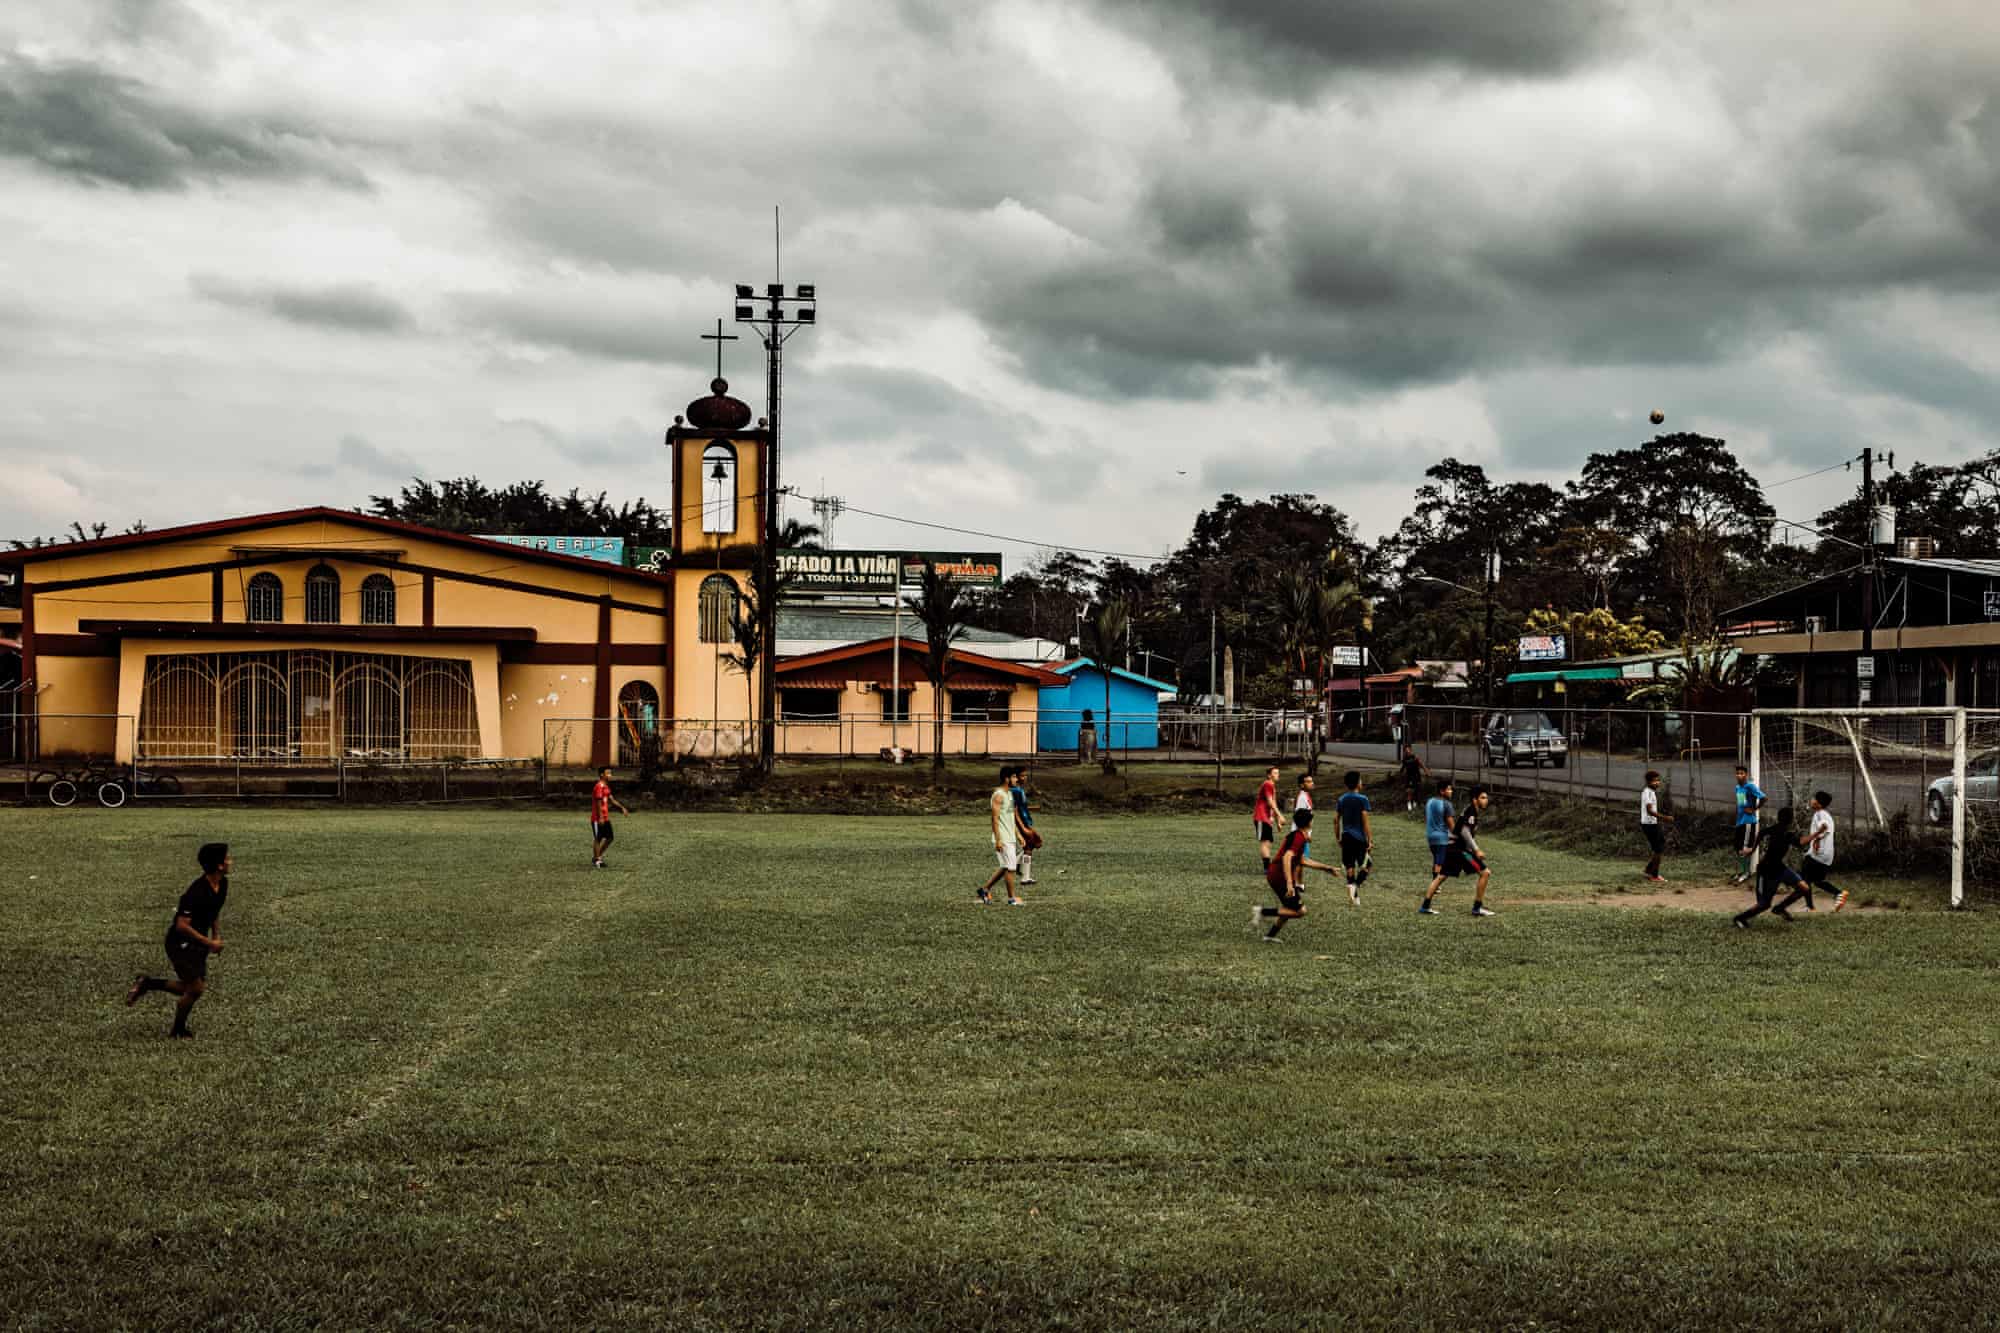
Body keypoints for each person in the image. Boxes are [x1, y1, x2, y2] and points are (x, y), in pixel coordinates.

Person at [124, 843, 232, 1039]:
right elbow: (182, 925)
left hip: (199, 943)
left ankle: (147, 983)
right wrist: (210, 943)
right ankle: (178, 1030)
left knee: (192, 988)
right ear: (219, 865)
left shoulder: (222, 883)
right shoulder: (195, 892)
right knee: (196, 989)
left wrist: (216, 937)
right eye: (227, 858)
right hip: (179, 943)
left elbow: (214, 911)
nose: (230, 861)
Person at [1251, 808, 1337, 942]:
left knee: (1289, 907)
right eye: (1312, 819)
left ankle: (1270, 936)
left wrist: (1326, 868)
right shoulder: (1299, 838)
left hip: (1276, 874)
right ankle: (1262, 912)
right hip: (1279, 876)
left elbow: (1301, 860)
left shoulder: (1299, 835)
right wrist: (1290, 884)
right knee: (1300, 911)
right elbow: (1287, 857)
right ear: (1308, 822)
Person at [1424, 784, 1496, 916]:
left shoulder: (1471, 811)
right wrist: (1476, 850)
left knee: (1441, 876)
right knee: (1485, 873)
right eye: (1483, 797)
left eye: (1486, 797)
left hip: (1453, 848)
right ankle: (1477, 908)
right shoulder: (1471, 812)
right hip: (1459, 850)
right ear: (1475, 799)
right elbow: (1465, 832)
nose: (1486, 800)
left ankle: (1425, 906)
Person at [1735, 806, 1806, 927]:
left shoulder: (1778, 830)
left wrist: (1752, 849)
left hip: (1780, 868)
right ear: (1791, 820)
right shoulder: (1787, 834)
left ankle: (1779, 908)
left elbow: (1761, 833)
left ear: (1778, 818)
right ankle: (1739, 918)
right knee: (1764, 904)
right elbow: (1800, 843)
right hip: (1767, 870)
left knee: (1803, 888)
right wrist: (1818, 833)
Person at [978, 765, 1025, 906]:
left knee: (1006, 866)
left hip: (1010, 836)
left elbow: (1010, 817)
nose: (1016, 779)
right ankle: (1012, 899)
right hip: (1003, 838)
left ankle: (985, 890)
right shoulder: (998, 795)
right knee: (1011, 868)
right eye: (1014, 777)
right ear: (1006, 779)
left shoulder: (1009, 794)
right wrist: (998, 839)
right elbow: (994, 818)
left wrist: (1018, 835)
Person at [1801, 789, 1847, 912]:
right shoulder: (1824, 814)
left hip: (1818, 854)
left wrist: (1816, 840)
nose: (1811, 800)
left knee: (1804, 878)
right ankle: (1838, 893)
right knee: (1817, 881)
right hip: (1826, 855)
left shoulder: (1820, 814)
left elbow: (1824, 827)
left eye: (1813, 799)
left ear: (1819, 804)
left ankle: (1810, 907)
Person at [1333, 770, 1372, 906]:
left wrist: (1338, 837)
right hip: (1359, 838)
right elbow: (1365, 821)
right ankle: (1356, 886)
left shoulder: (1342, 799)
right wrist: (1370, 839)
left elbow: (1336, 820)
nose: (1362, 783)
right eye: (1360, 780)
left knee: (1350, 867)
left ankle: (1354, 897)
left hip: (1346, 836)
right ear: (1357, 783)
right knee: (1367, 864)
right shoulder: (1363, 799)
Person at [1419, 776, 1456, 914]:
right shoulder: (1446, 804)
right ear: (1442, 791)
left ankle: (1435, 884)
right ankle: (1435, 885)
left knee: (1436, 859)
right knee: (1441, 861)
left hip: (1430, 836)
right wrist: (1457, 835)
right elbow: (1451, 825)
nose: (1451, 791)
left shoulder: (1430, 801)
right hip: (1441, 837)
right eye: (1449, 789)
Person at [1731, 764, 1766, 885]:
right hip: (1740, 821)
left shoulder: (1750, 786)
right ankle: (1741, 871)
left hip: (1748, 822)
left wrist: (1754, 809)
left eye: (1742, 773)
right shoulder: (1737, 788)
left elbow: (1764, 798)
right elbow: (1741, 804)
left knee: (1745, 848)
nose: (1739, 775)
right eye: (1737, 773)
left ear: (1746, 775)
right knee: (1737, 847)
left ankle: (1746, 873)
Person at [590, 766, 630, 869]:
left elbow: (612, 800)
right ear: (602, 775)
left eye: (610, 773)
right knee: (598, 838)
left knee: (610, 838)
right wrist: (601, 817)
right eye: (608, 773)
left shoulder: (606, 787)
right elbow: (598, 802)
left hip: (605, 818)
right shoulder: (599, 786)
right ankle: (598, 860)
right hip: (597, 818)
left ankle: (597, 856)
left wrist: (622, 808)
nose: (610, 775)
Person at [1640, 770, 1675, 882]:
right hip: (1649, 824)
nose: (1657, 783)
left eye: (1658, 780)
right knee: (1658, 849)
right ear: (1648, 782)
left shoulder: (1650, 791)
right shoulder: (1648, 793)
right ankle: (1654, 875)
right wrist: (1666, 818)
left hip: (1652, 823)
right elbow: (1649, 811)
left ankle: (1648, 870)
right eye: (1654, 781)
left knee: (1661, 845)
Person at [1010, 764, 1041, 885]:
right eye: (1022, 775)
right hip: (1022, 822)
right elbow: (1015, 810)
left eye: (1026, 775)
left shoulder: (1019, 790)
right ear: (1016, 777)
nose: (1025, 777)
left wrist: (1031, 809)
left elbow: (1021, 806)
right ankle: (1023, 874)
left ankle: (1019, 865)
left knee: (1031, 846)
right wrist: (1022, 827)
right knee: (1034, 844)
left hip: (1026, 820)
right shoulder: (1015, 791)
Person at [1253, 765, 1281, 870]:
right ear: (1269, 775)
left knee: (1268, 843)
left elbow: (1274, 803)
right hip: (1261, 817)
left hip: (1267, 818)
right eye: (1275, 773)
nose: (1278, 775)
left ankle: (1268, 868)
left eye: (1278, 773)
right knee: (1265, 842)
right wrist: (1280, 816)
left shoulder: (1272, 786)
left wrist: (1277, 820)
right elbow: (1270, 802)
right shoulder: (1268, 784)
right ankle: (1267, 869)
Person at [1399, 744, 1429, 813]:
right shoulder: (1404, 759)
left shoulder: (1415, 757)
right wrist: (1400, 773)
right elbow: (1403, 767)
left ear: (1410, 750)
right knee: (1409, 791)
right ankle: (1409, 804)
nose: (1407, 751)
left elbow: (1421, 764)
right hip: (1409, 776)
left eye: (1408, 750)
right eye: (1406, 750)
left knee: (1416, 790)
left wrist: (1426, 771)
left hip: (1416, 776)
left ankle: (1415, 804)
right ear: (1404, 751)